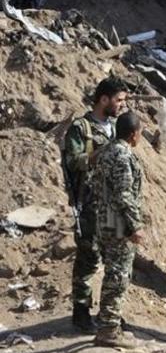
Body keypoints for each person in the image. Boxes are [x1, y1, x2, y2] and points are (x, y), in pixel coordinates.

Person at [61, 76, 128, 333]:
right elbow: (74, 161)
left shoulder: (114, 126)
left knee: (115, 260)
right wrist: (103, 151)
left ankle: (109, 313)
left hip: (112, 205)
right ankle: (81, 311)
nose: (121, 105)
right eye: (118, 100)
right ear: (103, 99)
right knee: (88, 258)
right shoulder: (81, 128)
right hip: (89, 204)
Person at [92, 111, 145, 348]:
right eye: (141, 132)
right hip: (118, 224)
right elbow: (124, 194)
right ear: (134, 134)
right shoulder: (122, 156)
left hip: (103, 220)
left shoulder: (106, 151)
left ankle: (109, 323)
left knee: (113, 272)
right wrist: (134, 226)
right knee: (118, 275)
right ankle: (109, 330)